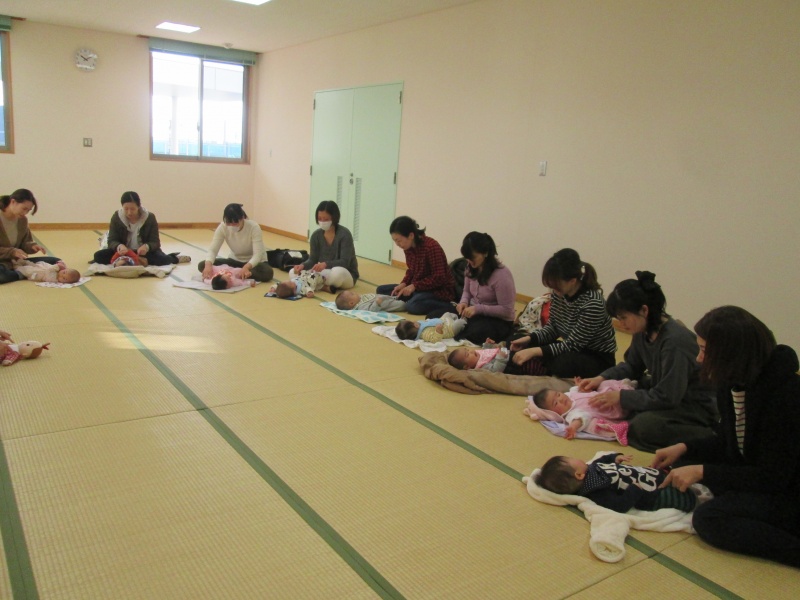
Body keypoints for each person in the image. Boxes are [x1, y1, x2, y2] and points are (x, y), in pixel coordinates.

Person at [652, 306, 800, 568]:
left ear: (731, 353)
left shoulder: (786, 395)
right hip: (761, 473)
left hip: (788, 490)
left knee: (709, 518)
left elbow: (774, 476)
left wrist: (703, 472)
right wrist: (684, 447)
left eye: (705, 351)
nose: (699, 359)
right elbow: (731, 443)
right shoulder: (731, 383)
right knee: (681, 465)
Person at [576, 271, 717, 452]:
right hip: (666, 391)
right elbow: (632, 366)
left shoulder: (675, 342)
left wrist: (621, 397)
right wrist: (601, 378)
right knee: (616, 391)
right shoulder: (642, 331)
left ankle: (708, 438)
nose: (621, 324)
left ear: (644, 310)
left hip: (693, 404)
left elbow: (668, 396)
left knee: (641, 426)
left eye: (624, 317)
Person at [510, 248, 616, 378]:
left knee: (562, 364)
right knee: (515, 340)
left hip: (595, 357)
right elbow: (553, 327)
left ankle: (537, 368)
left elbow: (574, 345)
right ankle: (534, 365)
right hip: (572, 349)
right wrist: (530, 339)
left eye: (556, 286)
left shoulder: (593, 303)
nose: (553, 290)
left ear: (572, 281)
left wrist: (534, 351)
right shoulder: (559, 293)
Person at [536, 452, 697, 513]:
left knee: (673, 471)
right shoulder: (596, 491)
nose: (577, 457)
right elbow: (618, 506)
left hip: (649, 475)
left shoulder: (590, 468)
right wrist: (634, 490)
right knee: (677, 496)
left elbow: (602, 461)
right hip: (651, 494)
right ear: (579, 475)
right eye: (572, 458)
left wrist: (615, 457)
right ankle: (691, 500)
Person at [376, 216, 455, 315]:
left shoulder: (431, 246)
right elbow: (411, 270)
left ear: (411, 235)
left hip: (437, 291)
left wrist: (414, 286)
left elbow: (439, 278)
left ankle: (450, 306)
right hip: (418, 288)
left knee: (412, 306)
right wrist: (404, 283)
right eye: (395, 241)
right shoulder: (408, 248)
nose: (397, 244)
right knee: (381, 290)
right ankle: (410, 299)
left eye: (399, 240)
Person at [93, 191, 189, 266]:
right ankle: (136, 261)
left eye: (132, 209)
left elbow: (155, 242)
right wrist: (119, 246)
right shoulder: (116, 217)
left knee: (162, 259)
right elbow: (112, 240)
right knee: (98, 256)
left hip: (143, 253)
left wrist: (146, 247)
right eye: (126, 209)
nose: (129, 212)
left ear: (138, 206)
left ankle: (174, 258)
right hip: (124, 252)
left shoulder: (149, 218)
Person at [453, 232, 516, 345]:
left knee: (475, 332)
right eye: (467, 258)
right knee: (436, 314)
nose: (470, 262)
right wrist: (463, 302)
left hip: (498, 320)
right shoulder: (470, 268)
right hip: (476, 314)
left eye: (473, 258)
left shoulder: (501, 275)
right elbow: (466, 291)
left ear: (485, 253)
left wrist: (478, 309)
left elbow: (507, 310)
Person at [530, 380, 632, 440]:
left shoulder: (569, 395)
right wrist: (573, 427)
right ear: (554, 413)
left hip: (604, 395)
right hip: (608, 408)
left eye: (558, 394)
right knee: (594, 424)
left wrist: (579, 387)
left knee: (604, 384)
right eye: (555, 403)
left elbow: (574, 391)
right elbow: (581, 418)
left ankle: (626, 386)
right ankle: (627, 396)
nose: (560, 399)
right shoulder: (571, 413)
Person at [292, 201, 358, 292]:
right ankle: (323, 287)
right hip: (325, 273)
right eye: (320, 219)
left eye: (326, 219)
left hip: (345, 273)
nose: (322, 222)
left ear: (334, 218)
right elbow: (312, 259)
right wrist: (302, 266)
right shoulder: (316, 236)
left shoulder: (344, 234)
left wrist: (325, 264)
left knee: (337, 274)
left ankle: (312, 284)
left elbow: (345, 262)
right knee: (293, 273)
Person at [200, 203, 274, 282]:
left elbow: (257, 254)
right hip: (234, 261)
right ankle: (238, 274)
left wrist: (246, 267)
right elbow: (213, 250)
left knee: (267, 272)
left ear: (242, 218)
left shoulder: (253, 227)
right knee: (202, 265)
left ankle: (232, 274)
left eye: (235, 223)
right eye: (228, 223)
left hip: (253, 263)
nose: (232, 226)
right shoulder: (222, 227)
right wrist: (208, 265)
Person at [1, 189, 62, 284]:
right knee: (2, 276)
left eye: (28, 210)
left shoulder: (22, 220)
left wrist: (32, 246)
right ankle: (23, 273)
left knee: (56, 261)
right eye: (24, 209)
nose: (25, 213)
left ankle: (23, 272)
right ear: (13, 202)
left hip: (15, 261)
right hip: (3, 261)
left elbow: (26, 242)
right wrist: (12, 252)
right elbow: (13, 251)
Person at [395, 313, 467, 343]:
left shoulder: (419, 324)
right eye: (411, 322)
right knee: (459, 324)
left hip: (443, 321)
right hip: (449, 330)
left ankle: (457, 316)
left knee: (447, 314)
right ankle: (464, 319)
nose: (414, 320)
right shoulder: (424, 334)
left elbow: (428, 322)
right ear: (415, 325)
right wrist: (438, 331)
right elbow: (435, 339)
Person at [14, 259, 81, 284]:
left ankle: (15, 265)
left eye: (64, 278)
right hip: (39, 266)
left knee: (24, 269)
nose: (61, 275)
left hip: (35, 274)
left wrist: (58, 266)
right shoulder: (59, 271)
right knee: (29, 263)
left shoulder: (54, 279)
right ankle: (21, 260)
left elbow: (49, 270)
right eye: (64, 272)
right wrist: (61, 264)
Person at [335, 290, 406, 312]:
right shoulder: (361, 306)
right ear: (351, 303)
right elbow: (371, 310)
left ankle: (397, 297)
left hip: (385, 298)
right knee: (401, 304)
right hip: (383, 303)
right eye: (352, 294)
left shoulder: (359, 298)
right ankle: (406, 304)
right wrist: (377, 303)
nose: (355, 292)